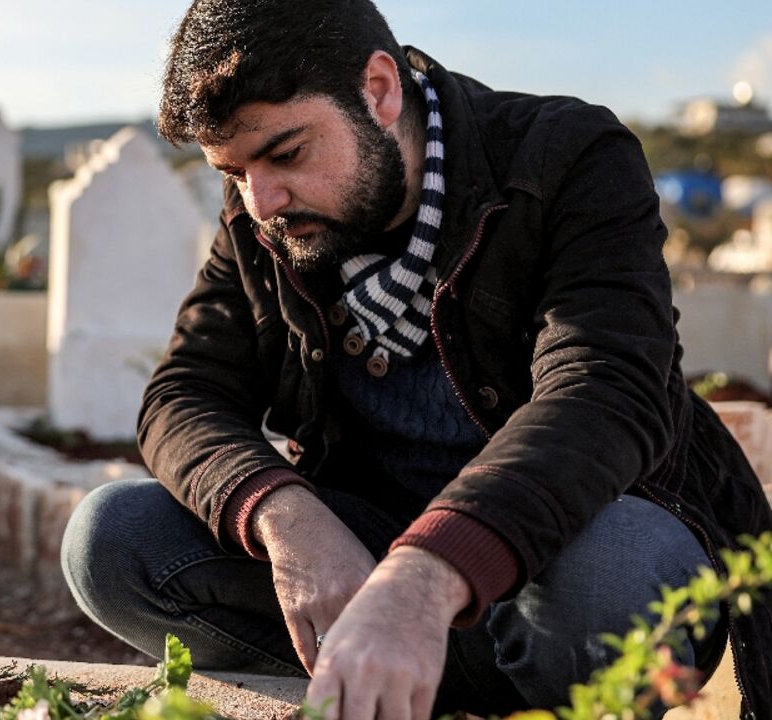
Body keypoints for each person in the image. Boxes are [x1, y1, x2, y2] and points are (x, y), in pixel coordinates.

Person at [60, 1, 772, 718]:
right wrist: (288, 517)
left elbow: (607, 389)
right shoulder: (264, 214)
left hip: (553, 572)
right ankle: (383, 682)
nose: (262, 200)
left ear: (378, 89)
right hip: (366, 571)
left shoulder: (567, 156)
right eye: (233, 171)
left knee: (609, 579)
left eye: (287, 154)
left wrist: (426, 574)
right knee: (112, 539)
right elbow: (184, 393)